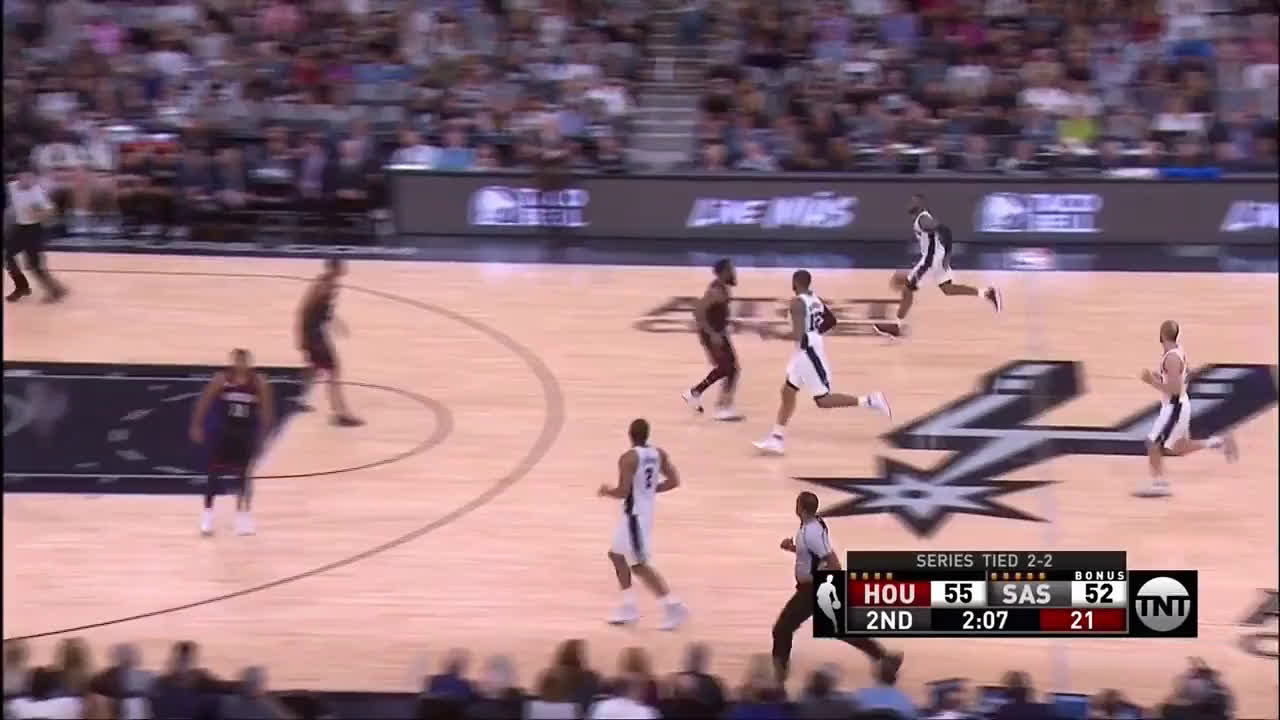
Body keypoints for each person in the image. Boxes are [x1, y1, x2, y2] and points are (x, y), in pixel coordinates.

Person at [753, 270, 891, 455]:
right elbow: (831, 321)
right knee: (787, 391)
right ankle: (776, 438)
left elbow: (798, 335)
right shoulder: (815, 299)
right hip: (806, 349)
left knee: (823, 400)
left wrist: (772, 333)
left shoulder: (797, 302)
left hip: (807, 352)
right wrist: (815, 333)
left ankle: (871, 400)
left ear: (795, 283)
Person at [772, 492, 902, 683]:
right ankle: (884, 657)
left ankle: (778, 677)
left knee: (782, 629)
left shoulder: (811, 533)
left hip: (812, 590)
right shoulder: (814, 523)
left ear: (800, 507)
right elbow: (813, 555)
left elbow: (834, 563)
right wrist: (793, 548)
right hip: (816, 588)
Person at [599, 418, 687, 630]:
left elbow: (623, 491)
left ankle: (672, 605)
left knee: (638, 565)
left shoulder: (628, 458)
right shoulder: (659, 454)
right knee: (616, 555)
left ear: (630, 434)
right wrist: (650, 490)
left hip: (634, 516)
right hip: (641, 513)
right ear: (647, 435)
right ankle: (629, 606)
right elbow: (674, 481)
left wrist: (606, 491)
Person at [873, 193, 1001, 339]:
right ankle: (986, 293)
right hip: (937, 258)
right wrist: (945, 255)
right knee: (948, 289)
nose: (910, 204)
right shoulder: (923, 219)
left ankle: (896, 326)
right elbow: (941, 232)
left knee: (908, 289)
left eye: (914, 201)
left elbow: (945, 230)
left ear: (921, 204)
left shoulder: (923, 219)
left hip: (930, 261)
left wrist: (948, 254)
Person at [1135, 320, 1237, 497]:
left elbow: (1174, 389)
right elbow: (1185, 374)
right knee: (1178, 447)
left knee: (1152, 442)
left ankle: (1158, 484)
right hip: (1179, 404)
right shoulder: (1177, 351)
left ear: (1162, 334)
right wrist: (1162, 378)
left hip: (1174, 407)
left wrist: (1152, 381)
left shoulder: (1172, 358)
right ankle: (1217, 442)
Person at [189, 349, 275, 536]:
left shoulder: (258, 382)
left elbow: (266, 411)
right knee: (213, 473)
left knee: (244, 476)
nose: (240, 364)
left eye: (244, 361)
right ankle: (207, 516)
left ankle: (243, 516)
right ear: (233, 362)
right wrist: (197, 425)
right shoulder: (221, 379)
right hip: (224, 433)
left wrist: (264, 436)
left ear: (249, 363)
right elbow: (203, 402)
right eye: (237, 361)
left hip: (246, 434)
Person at [297, 258, 362, 425]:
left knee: (316, 368)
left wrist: (336, 322)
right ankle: (340, 413)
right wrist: (303, 337)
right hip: (314, 334)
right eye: (341, 265)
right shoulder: (324, 286)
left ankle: (301, 400)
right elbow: (306, 310)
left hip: (313, 332)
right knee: (334, 370)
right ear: (334, 268)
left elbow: (323, 311)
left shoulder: (330, 284)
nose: (345, 267)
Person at [683, 258, 744, 420]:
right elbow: (698, 312)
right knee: (728, 368)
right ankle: (721, 407)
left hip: (718, 333)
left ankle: (696, 393)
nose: (734, 272)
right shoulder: (716, 291)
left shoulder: (723, 289)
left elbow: (716, 315)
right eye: (731, 269)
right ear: (724, 272)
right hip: (712, 334)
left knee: (730, 369)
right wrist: (712, 334)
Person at [6, 169, 67, 303]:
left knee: (34, 265)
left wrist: (39, 214)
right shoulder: (11, 187)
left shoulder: (36, 192)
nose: (29, 181)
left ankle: (56, 290)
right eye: (26, 177)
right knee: (7, 255)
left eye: (31, 178)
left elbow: (51, 211)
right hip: (20, 228)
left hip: (34, 229)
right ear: (19, 177)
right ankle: (21, 286)